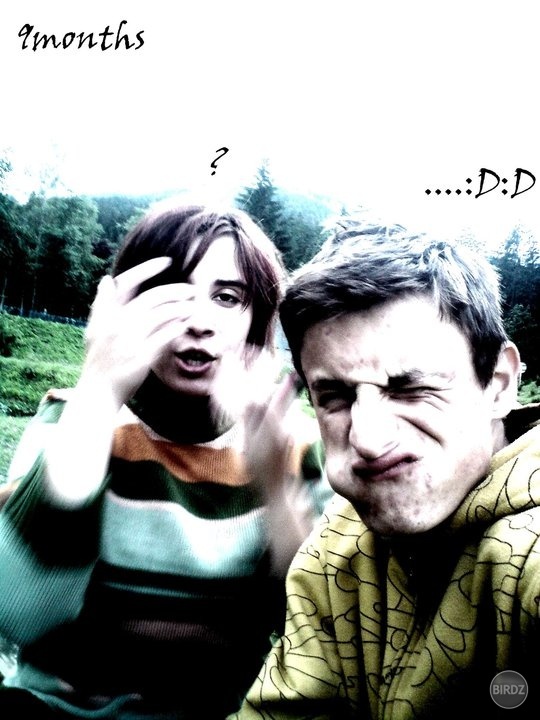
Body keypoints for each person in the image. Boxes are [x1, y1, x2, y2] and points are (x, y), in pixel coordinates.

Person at [0, 203, 331, 719]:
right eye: (172, 293)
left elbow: (314, 626)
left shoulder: (293, 442)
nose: (198, 322)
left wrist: (275, 485)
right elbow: (21, 615)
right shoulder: (74, 420)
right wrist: (100, 392)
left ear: (257, 319)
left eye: (227, 297)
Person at [231, 218, 540, 719]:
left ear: (499, 383)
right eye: (335, 396)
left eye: (411, 388)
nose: (368, 440)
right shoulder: (334, 550)